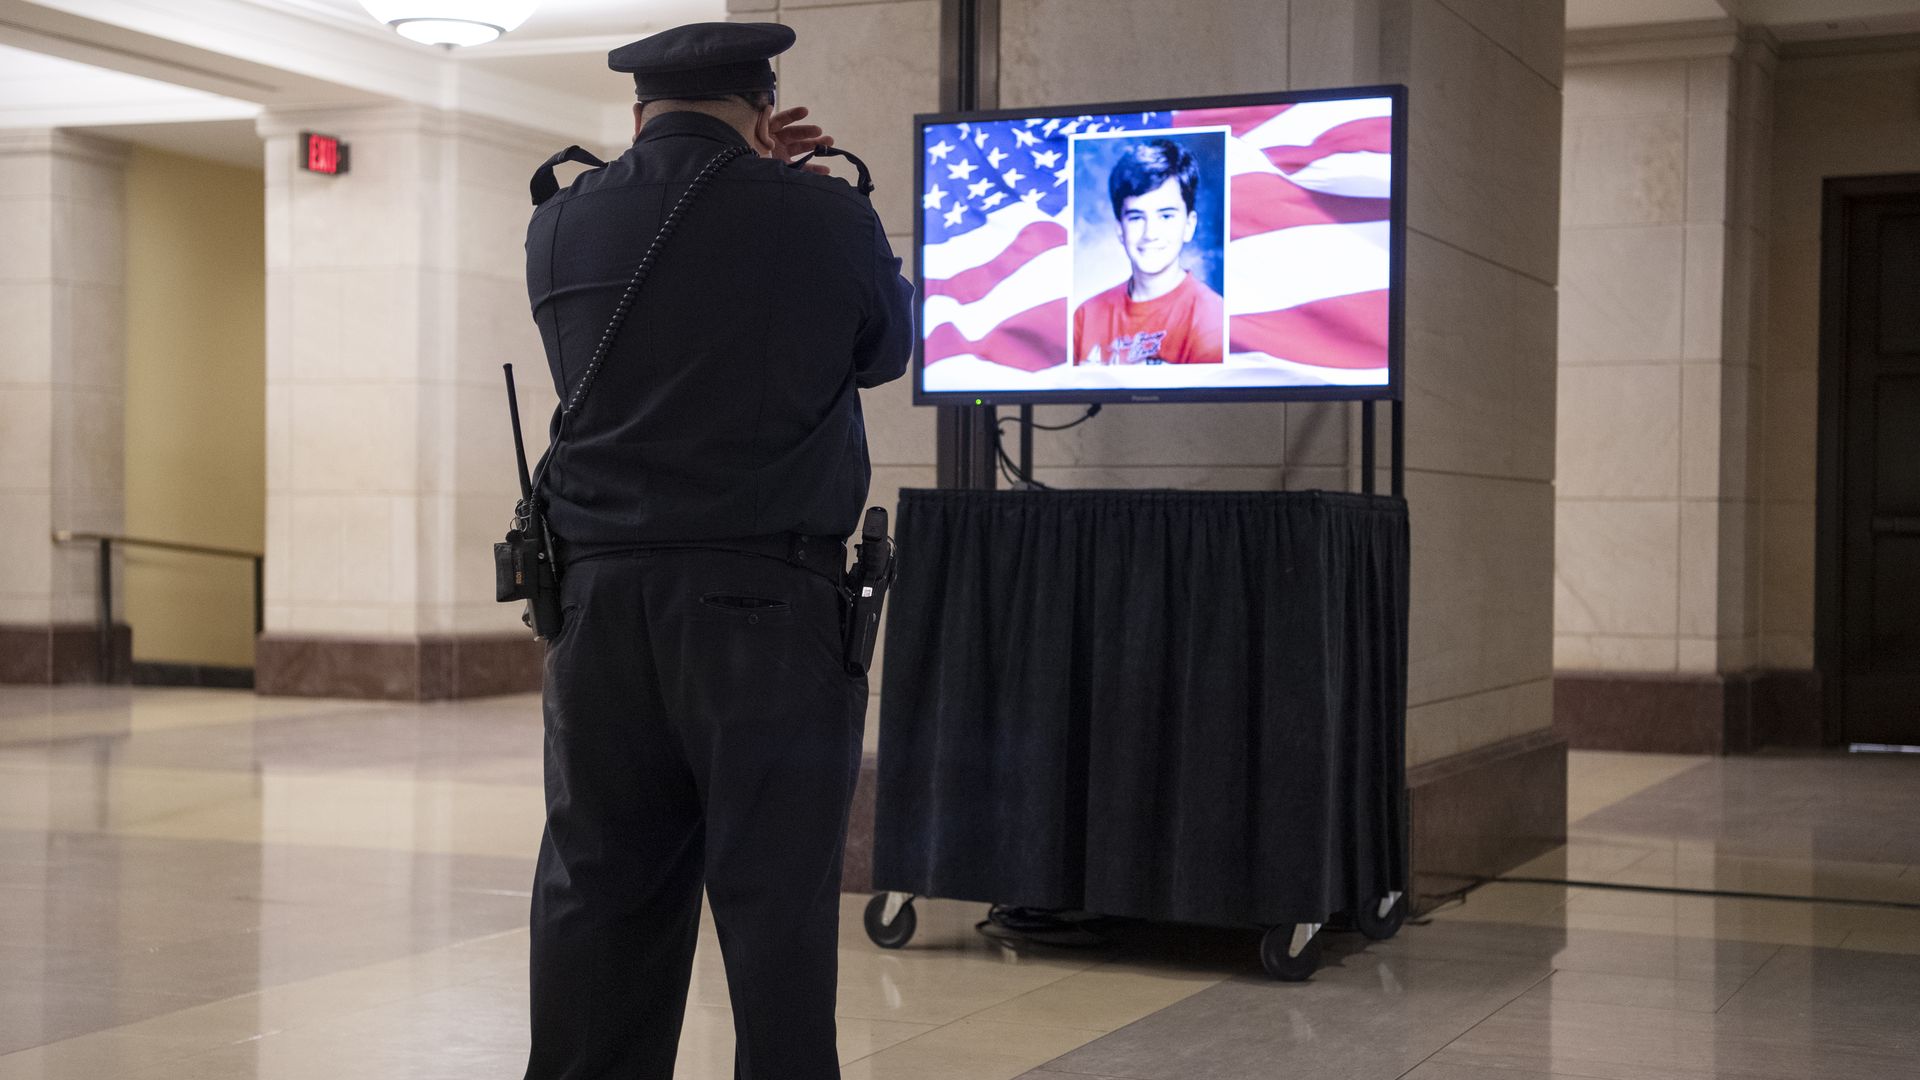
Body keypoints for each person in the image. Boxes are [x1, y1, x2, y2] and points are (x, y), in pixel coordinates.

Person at [518, 21, 913, 1080]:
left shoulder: (559, 224)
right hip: (765, 607)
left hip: (599, 611)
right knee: (774, 905)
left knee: (597, 895)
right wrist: (786, 188)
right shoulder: (826, 214)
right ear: (761, 103)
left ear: (638, 113)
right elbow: (886, 349)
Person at [1071, 138, 1226, 365]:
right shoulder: (1086, 315)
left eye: (1165, 216)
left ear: (1189, 226)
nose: (1150, 233)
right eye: (1136, 218)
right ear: (1119, 229)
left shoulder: (1213, 317)